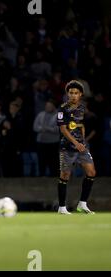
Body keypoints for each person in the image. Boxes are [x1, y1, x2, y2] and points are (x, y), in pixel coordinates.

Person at [57, 80, 96, 215]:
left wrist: (82, 142)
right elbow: (63, 129)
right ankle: (62, 208)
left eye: (76, 93)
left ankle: (82, 204)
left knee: (91, 172)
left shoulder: (83, 108)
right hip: (67, 147)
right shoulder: (63, 108)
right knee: (65, 175)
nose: (73, 95)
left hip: (81, 147)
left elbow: (82, 125)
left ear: (81, 94)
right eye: (71, 93)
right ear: (68, 94)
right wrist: (75, 142)